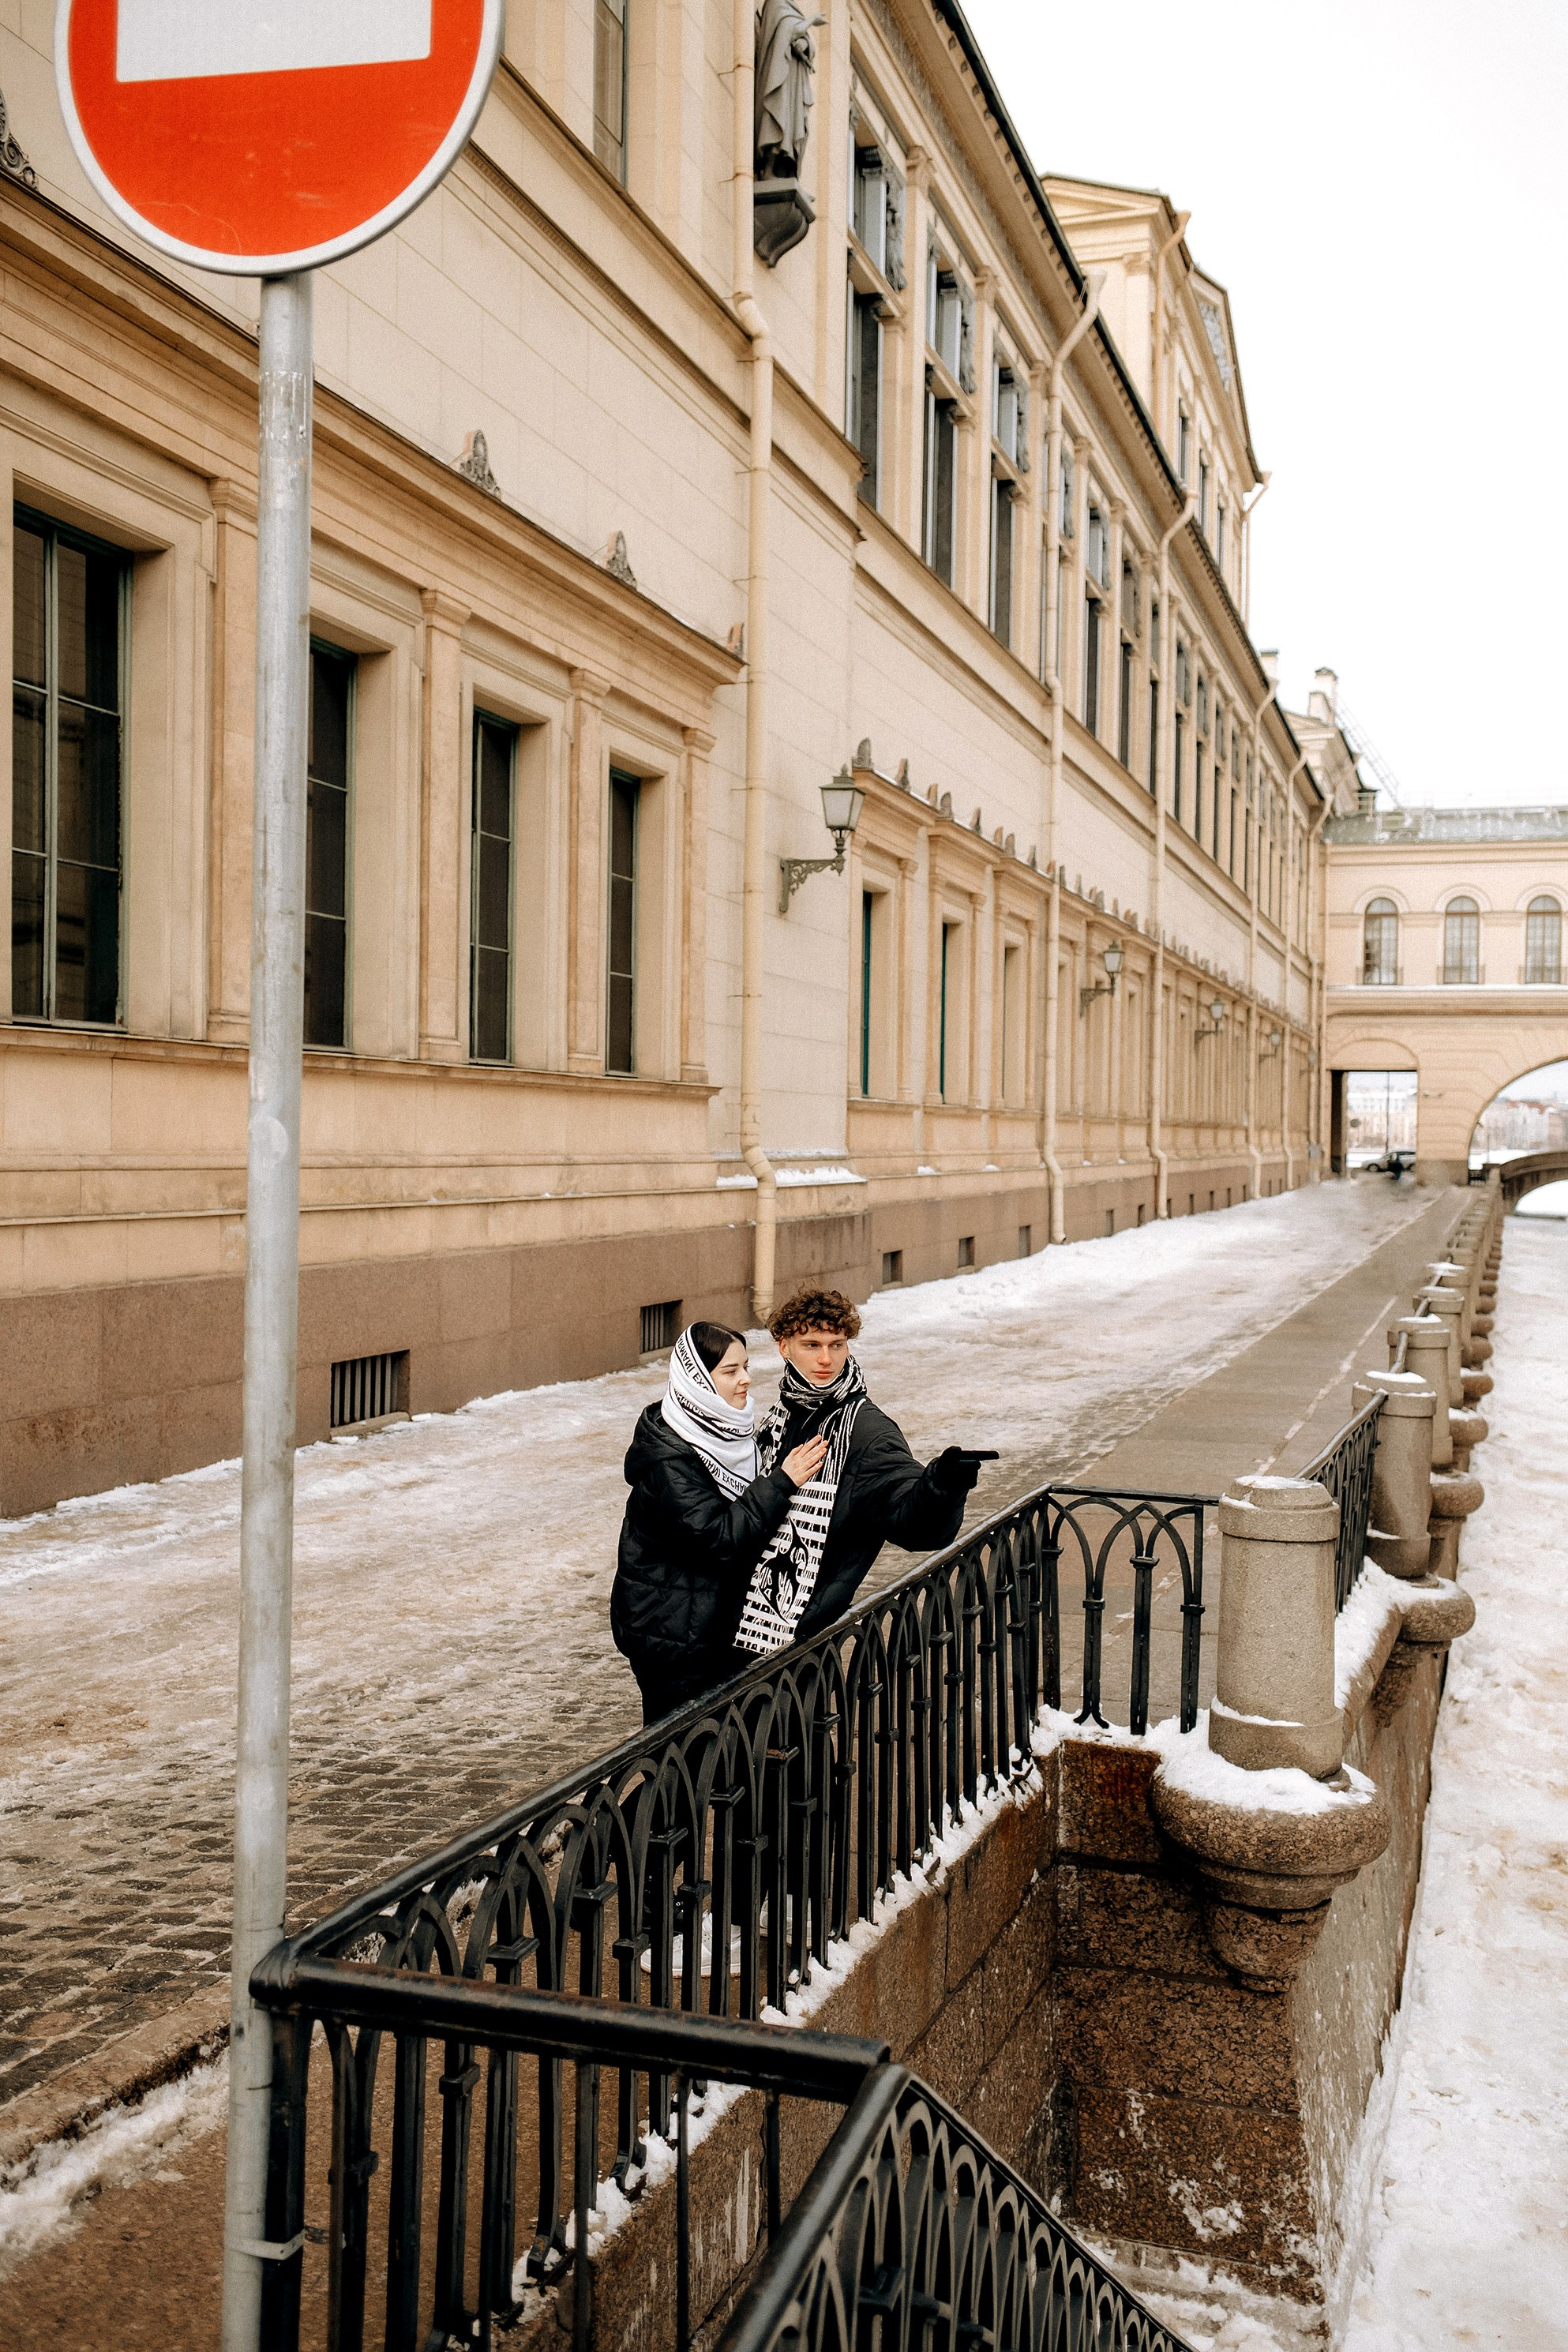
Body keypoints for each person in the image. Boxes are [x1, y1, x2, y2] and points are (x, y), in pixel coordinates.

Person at [612, 1291, 984, 1724]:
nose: (826, 1359)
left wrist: (942, 1485)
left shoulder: (866, 1431)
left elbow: (915, 1523)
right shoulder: (780, 1415)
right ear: (784, 1348)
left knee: (780, 1766)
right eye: (812, 1345)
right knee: (706, 1765)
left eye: (837, 1345)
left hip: (790, 1636)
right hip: (718, 1634)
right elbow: (719, 1528)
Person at [611, 1320, 828, 1724]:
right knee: (678, 1760)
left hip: (703, 1621)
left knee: (710, 1759)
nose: (746, 1380)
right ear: (697, 1381)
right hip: (671, 1634)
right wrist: (780, 1482)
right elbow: (720, 1537)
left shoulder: (723, 1430)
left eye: (745, 1366)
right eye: (730, 1372)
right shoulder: (671, 1461)